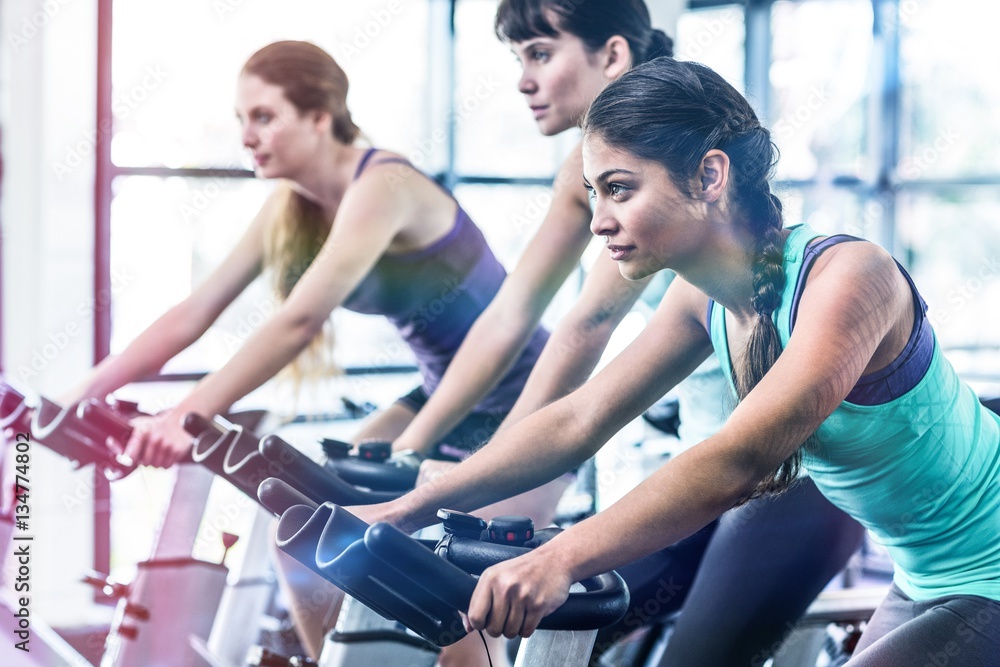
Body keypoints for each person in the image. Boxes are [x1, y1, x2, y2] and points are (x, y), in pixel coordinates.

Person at [358, 56, 1000, 666]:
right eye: (594, 194)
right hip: (922, 573)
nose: (599, 221)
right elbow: (578, 420)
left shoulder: (849, 278)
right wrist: (410, 507)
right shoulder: (702, 299)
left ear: (710, 177)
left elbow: (740, 461)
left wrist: (560, 560)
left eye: (619, 189)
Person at [389, 2, 863, 664]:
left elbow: (589, 322)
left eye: (541, 53)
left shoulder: (670, 168)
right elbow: (515, 316)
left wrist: (516, 488)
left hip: (777, 471)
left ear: (612, 55)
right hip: (697, 460)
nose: (524, 80)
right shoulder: (592, 174)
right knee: (499, 624)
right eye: (516, 57)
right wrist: (435, 467)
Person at [62, 40, 548, 662]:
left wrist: (186, 416)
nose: (246, 136)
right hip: (438, 391)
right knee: (302, 535)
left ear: (321, 118)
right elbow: (193, 312)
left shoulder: (385, 184)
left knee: (447, 589)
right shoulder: (291, 208)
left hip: (523, 396)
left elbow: (298, 321)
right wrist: (82, 393)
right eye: (241, 119)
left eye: (264, 117)